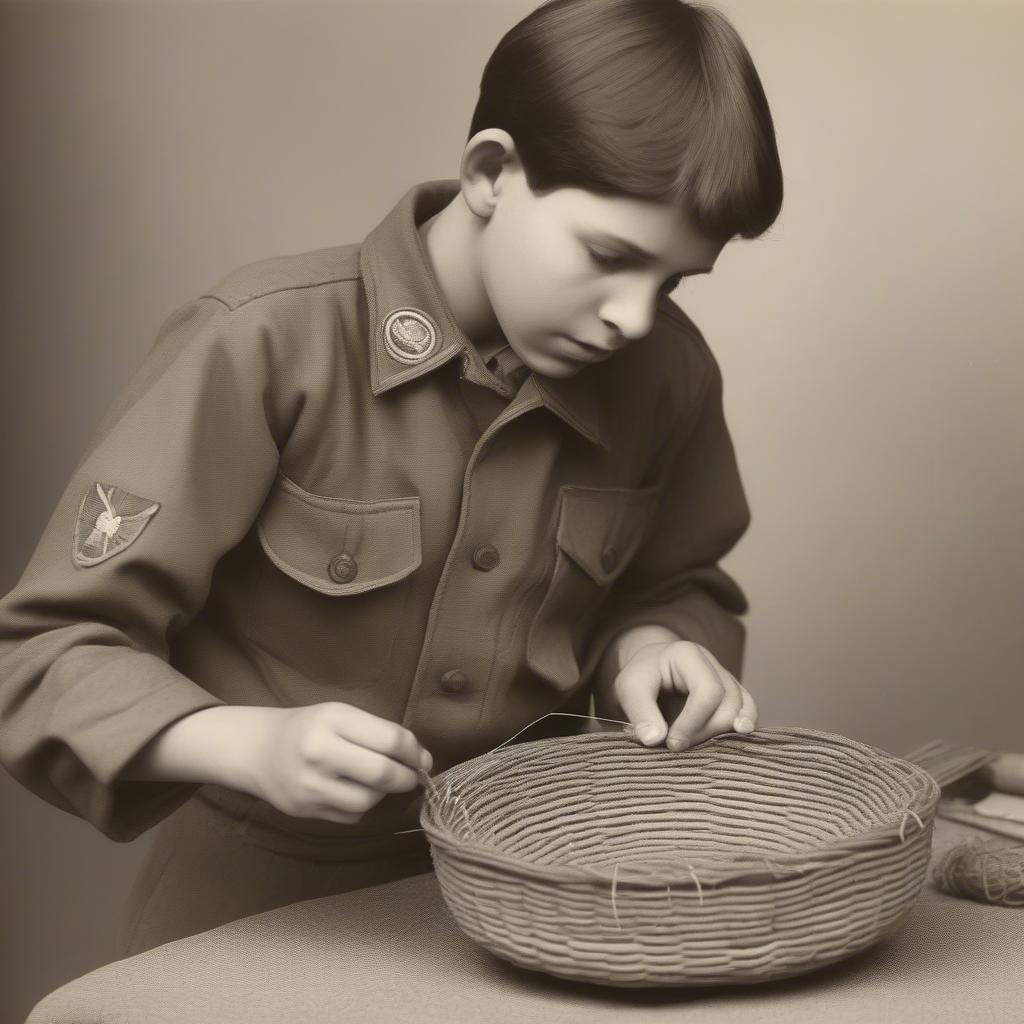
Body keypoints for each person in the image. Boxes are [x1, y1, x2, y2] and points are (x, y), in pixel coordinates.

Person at [0, 0, 782, 957]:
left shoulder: (668, 379)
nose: (631, 315)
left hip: (541, 914)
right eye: (610, 257)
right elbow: (41, 655)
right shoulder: (265, 344)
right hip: (251, 927)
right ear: (492, 172)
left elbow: (679, 581)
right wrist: (244, 745)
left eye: (672, 283)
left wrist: (654, 645)